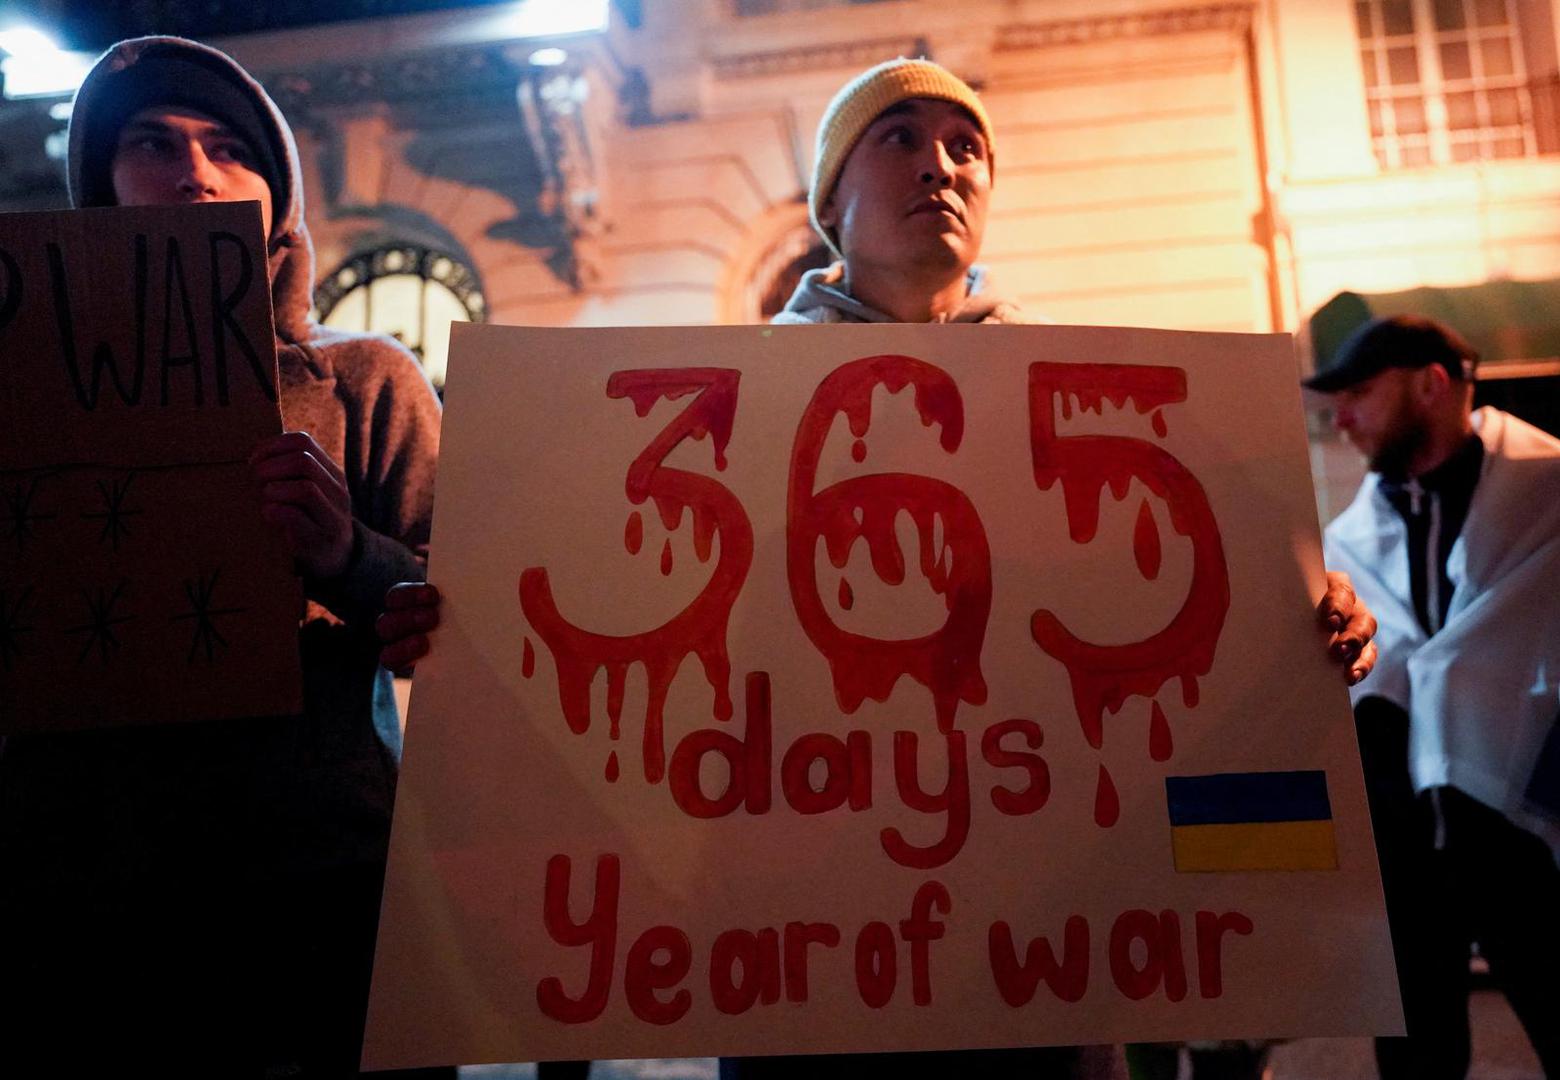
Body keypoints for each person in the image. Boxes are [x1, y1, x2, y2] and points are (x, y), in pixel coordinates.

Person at [379, 58, 1378, 1080]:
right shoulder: (725, 416)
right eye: (898, 137)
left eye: (966, 146)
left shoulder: (1098, 402)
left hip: (1045, 957)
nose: (940, 167)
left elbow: (1160, 622)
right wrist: (467, 626)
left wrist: (1297, 618)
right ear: (831, 201)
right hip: (802, 964)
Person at [0, 36, 442, 1075]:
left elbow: (462, 616)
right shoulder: (16, 386)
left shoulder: (369, 383)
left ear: (275, 196)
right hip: (77, 885)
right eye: (154, 142)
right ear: (104, 179)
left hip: (318, 880)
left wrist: (347, 554)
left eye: (229, 148)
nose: (193, 171)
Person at [1307, 315, 1560, 1080]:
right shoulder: (1352, 537)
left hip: (1523, 835)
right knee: (1418, 1060)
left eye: (1359, 393)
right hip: (1407, 847)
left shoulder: (1548, 491)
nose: (1342, 418)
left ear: (1432, 383)